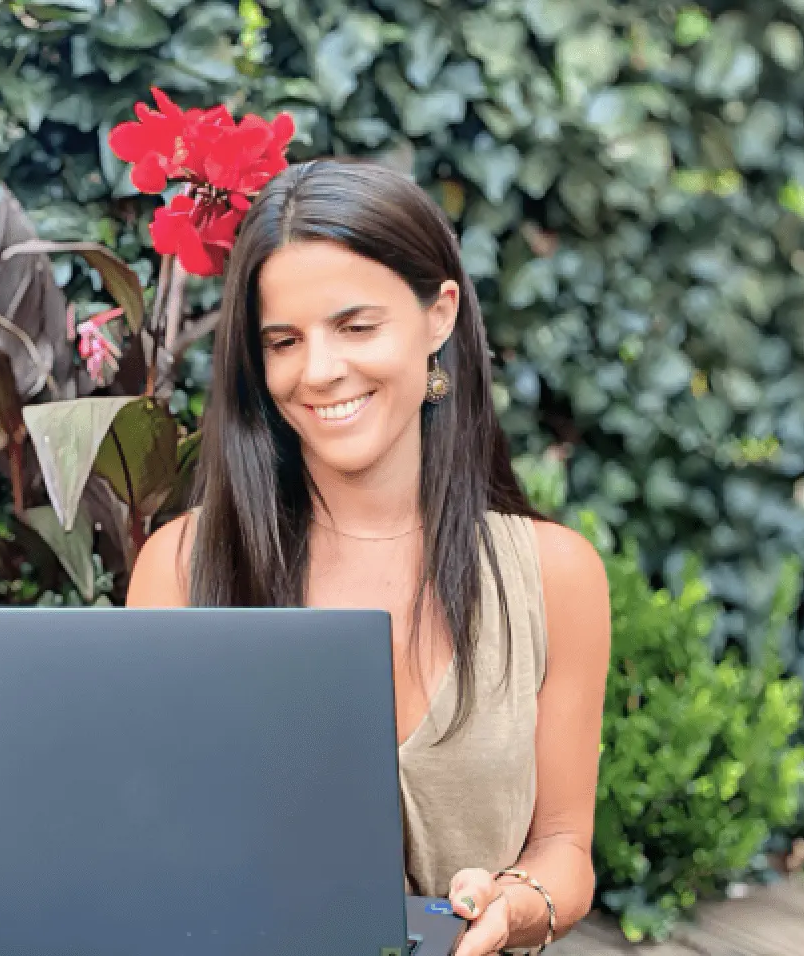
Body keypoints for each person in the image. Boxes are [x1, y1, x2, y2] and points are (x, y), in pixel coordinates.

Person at [125, 159, 611, 955]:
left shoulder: (556, 576)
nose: (319, 371)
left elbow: (563, 846)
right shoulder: (181, 566)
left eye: (356, 327)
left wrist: (514, 902)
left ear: (439, 315)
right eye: (284, 341)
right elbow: (148, 847)